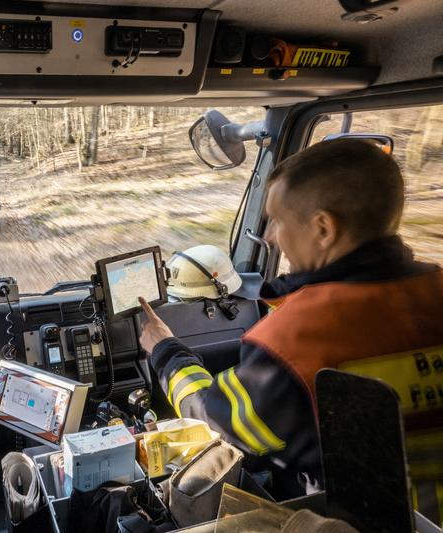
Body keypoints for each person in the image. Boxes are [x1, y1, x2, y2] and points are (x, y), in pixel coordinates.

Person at [138, 139, 443, 507]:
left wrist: (166, 351)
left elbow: (215, 423)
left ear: (323, 229)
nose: (270, 237)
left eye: (278, 221)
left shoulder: (295, 341)